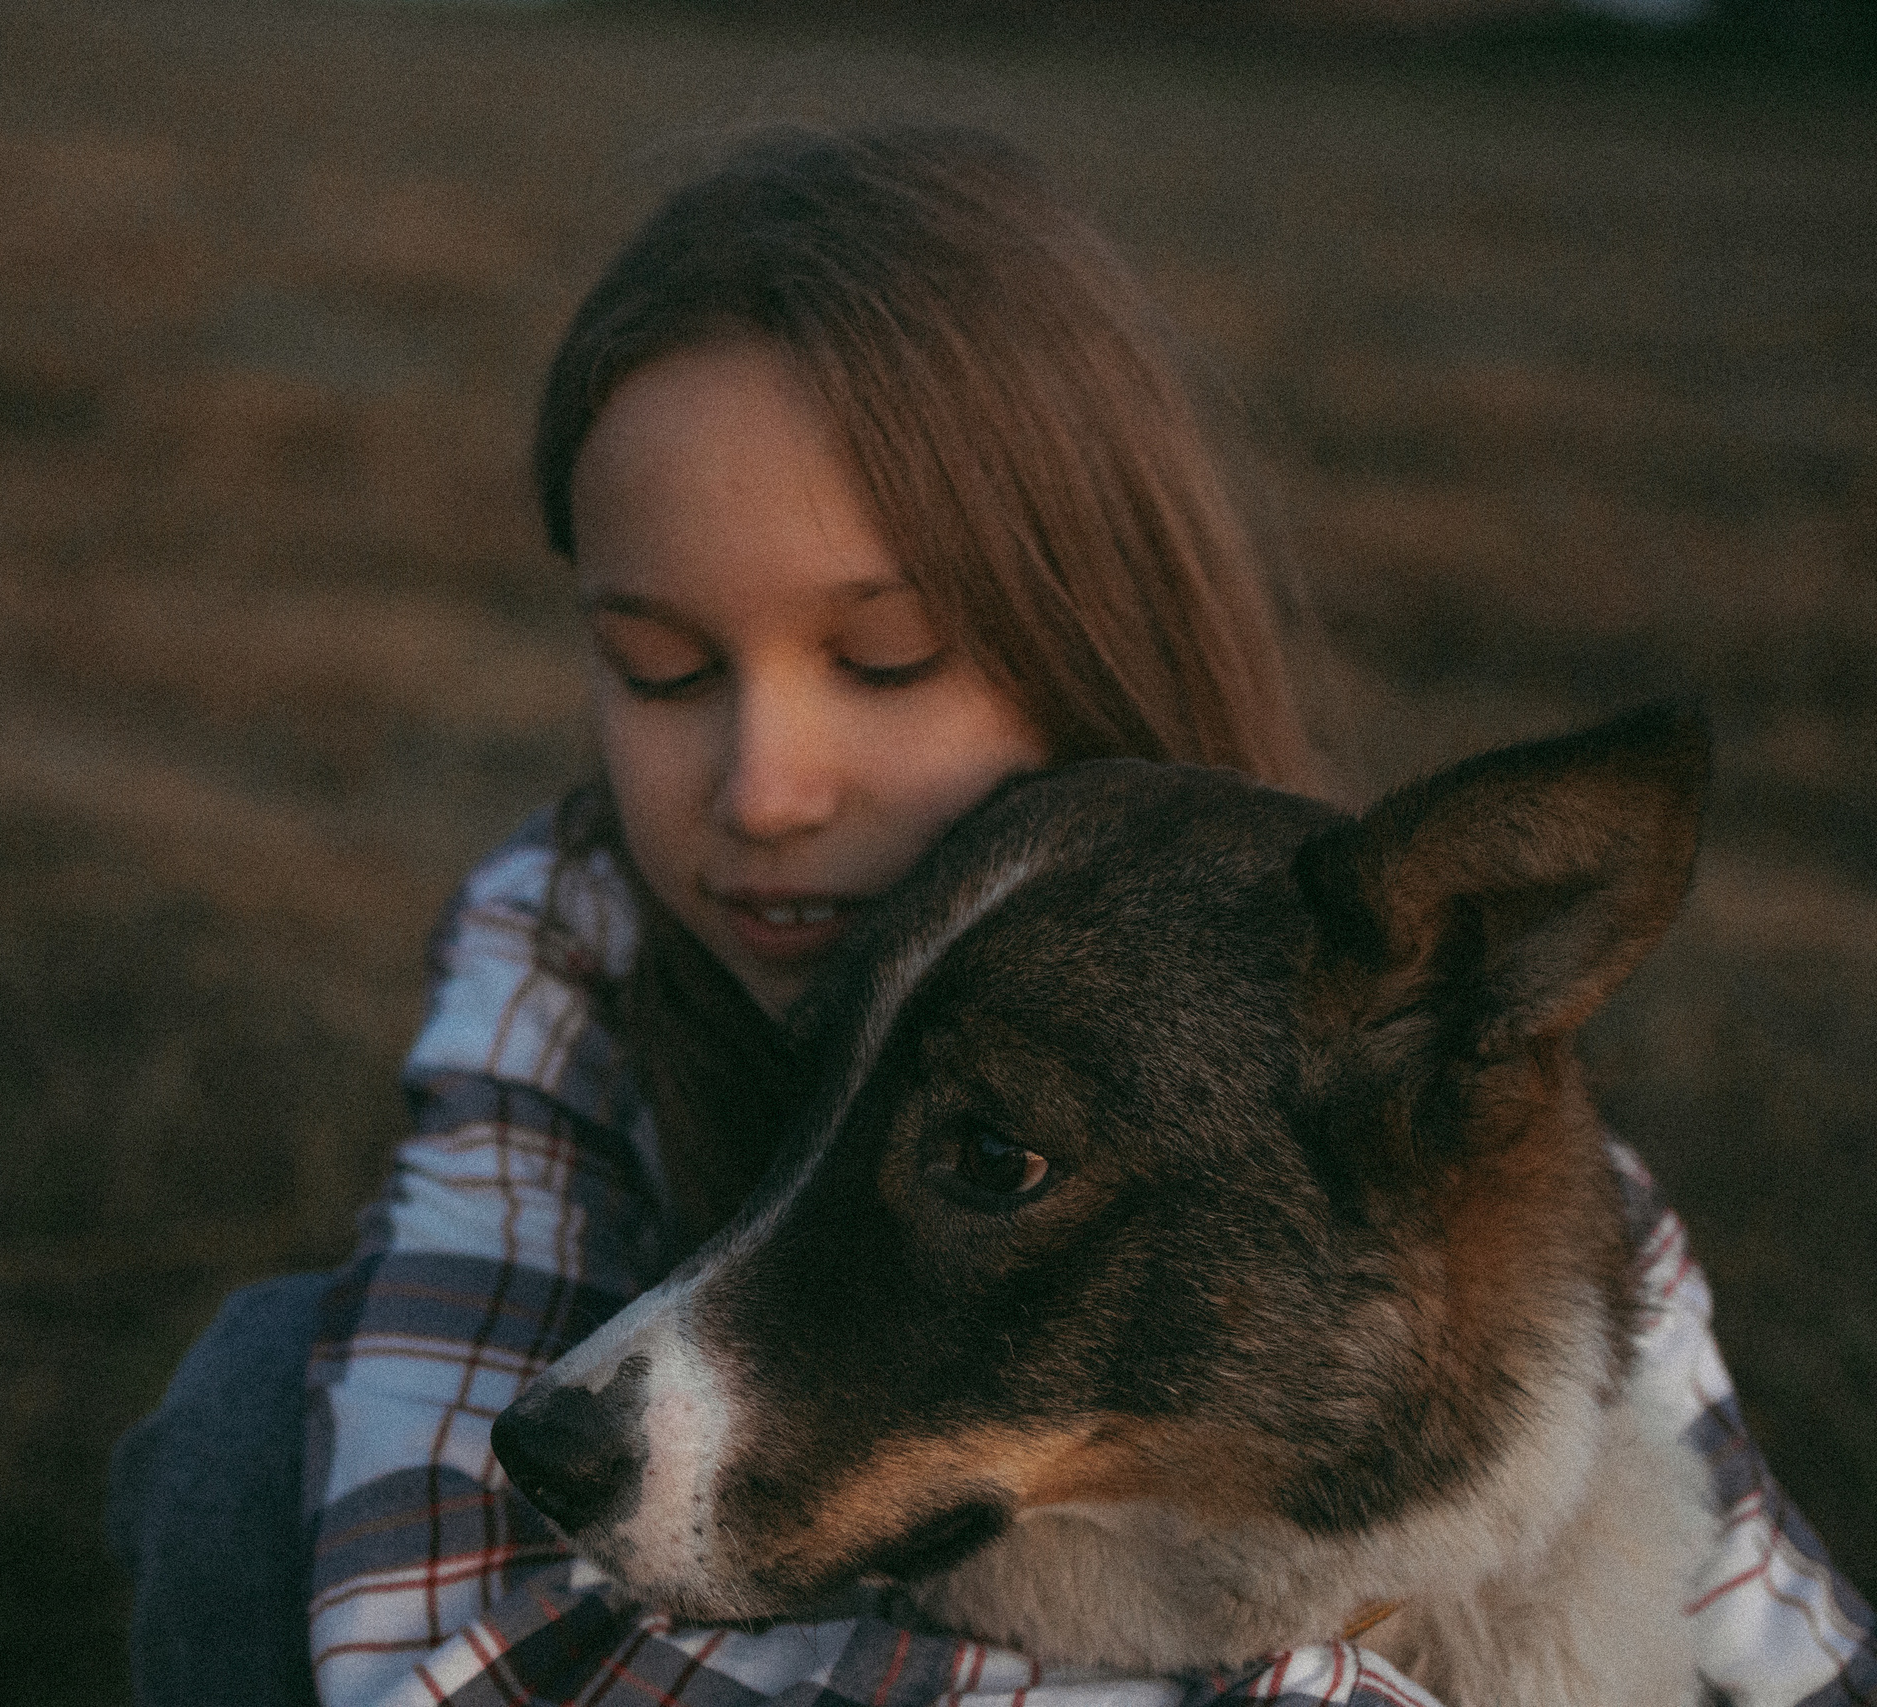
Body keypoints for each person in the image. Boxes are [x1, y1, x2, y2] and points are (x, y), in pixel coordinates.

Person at [107, 125, 1873, 1707]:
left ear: (1097, 629)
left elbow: (1784, 1637)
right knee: (266, 1411)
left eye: (884, 660)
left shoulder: (1432, 1072)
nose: (763, 786)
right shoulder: (579, 940)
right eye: (656, 666)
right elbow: (451, 1648)